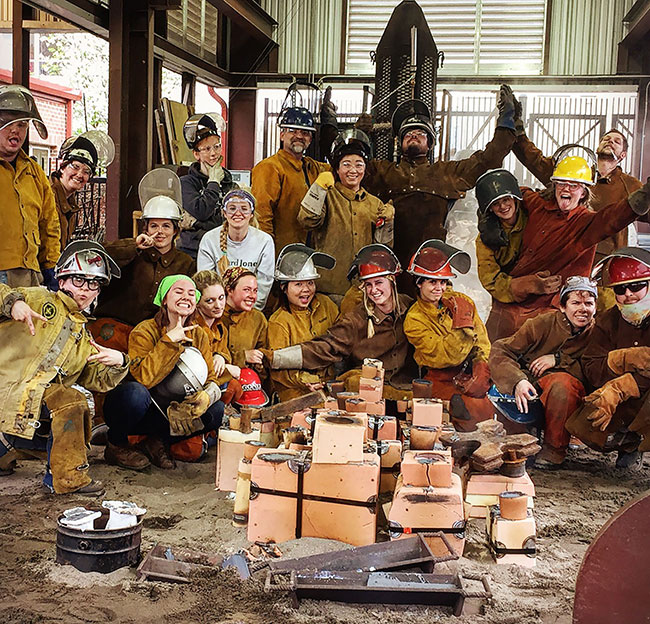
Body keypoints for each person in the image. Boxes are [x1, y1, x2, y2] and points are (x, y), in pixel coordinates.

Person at [355, 86, 517, 292]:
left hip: (431, 273)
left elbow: (488, 159)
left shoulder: (447, 174)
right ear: (400, 143)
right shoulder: (382, 173)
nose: (413, 136)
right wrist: (358, 137)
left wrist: (506, 121)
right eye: (408, 134)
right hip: (388, 272)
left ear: (430, 143)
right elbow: (347, 166)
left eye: (420, 133)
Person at [0, 241, 127, 494]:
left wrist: (120, 361)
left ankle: (58, 475)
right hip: (6, 393)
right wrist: (12, 303)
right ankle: (63, 476)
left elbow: (97, 379)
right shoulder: (36, 298)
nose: (85, 289)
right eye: (79, 280)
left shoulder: (83, 335)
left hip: (28, 412)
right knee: (69, 400)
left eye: (93, 283)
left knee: (71, 402)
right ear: (62, 280)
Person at [479, 157, 650, 340]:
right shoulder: (535, 202)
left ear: (584, 192)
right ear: (554, 186)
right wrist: (486, 219)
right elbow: (501, 194)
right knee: (494, 352)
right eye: (561, 183)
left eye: (574, 185)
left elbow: (614, 217)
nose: (566, 188)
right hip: (510, 305)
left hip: (553, 309)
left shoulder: (586, 223)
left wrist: (644, 195)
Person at [103, 275, 223, 470]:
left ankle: (158, 441)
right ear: (164, 299)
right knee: (135, 394)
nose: (186, 296)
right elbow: (144, 377)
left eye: (191, 293)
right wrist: (168, 342)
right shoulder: (144, 331)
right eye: (179, 291)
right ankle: (116, 445)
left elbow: (212, 378)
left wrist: (206, 398)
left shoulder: (199, 334)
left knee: (216, 412)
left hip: (173, 411)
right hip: (142, 408)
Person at [268, 244, 414, 401]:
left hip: (404, 392)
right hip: (364, 393)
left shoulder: (410, 309)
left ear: (392, 281)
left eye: (378, 283)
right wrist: (272, 358)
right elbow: (327, 347)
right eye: (368, 284)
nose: (373, 290)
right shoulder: (356, 319)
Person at [512, 113, 643, 278]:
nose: (610, 141)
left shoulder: (630, 185)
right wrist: (517, 130)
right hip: (561, 263)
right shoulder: (574, 174)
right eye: (606, 139)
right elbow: (535, 161)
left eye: (616, 141)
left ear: (623, 155)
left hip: (602, 269)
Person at [490, 277, 598, 467]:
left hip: (576, 395)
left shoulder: (598, 333)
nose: (583, 309)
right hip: (531, 386)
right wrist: (518, 381)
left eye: (589, 303)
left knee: (562, 384)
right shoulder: (542, 323)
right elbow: (501, 350)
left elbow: (594, 370)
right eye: (576, 303)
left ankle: (554, 448)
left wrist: (558, 360)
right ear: (563, 307)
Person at [92, 169, 195, 351]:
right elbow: (100, 256)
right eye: (154, 225)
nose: (160, 232)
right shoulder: (132, 252)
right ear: (145, 228)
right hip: (116, 330)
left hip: (156, 336)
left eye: (166, 226)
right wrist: (134, 245)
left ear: (176, 231)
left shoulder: (185, 263)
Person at [567, 248, 650, 470]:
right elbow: (592, 367)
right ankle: (628, 444)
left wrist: (622, 386)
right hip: (623, 404)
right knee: (590, 418)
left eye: (636, 286)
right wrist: (622, 360)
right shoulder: (607, 321)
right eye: (621, 289)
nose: (629, 294)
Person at [403, 240, 493, 431]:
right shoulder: (414, 319)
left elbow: (482, 339)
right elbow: (445, 354)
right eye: (432, 282)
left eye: (443, 282)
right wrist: (461, 325)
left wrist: (481, 365)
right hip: (437, 379)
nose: (439, 288)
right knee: (464, 414)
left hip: (467, 373)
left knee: (487, 413)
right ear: (419, 284)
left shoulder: (462, 302)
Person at [298, 129, 394, 302]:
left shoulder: (375, 204)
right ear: (337, 167)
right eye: (346, 164)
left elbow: (382, 249)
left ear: (365, 168)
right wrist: (317, 189)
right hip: (328, 289)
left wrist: (388, 223)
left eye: (359, 164)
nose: (353, 170)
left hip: (363, 289)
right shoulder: (328, 194)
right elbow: (307, 220)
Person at [474, 168, 561, 340]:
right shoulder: (485, 240)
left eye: (506, 199)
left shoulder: (534, 215)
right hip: (508, 299)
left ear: (515, 198)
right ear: (489, 208)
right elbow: (489, 279)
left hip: (547, 292)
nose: (503, 206)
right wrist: (525, 285)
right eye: (496, 203)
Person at [0, 84, 60, 289]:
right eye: (7, 122)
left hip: (32, 275)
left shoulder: (34, 173)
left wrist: (50, 266)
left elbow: (49, 225)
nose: (16, 130)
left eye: (23, 124)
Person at [251, 106, 330, 254]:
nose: (299, 136)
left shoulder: (312, 167)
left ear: (311, 139)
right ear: (282, 135)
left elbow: (343, 169)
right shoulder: (269, 168)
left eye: (305, 133)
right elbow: (261, 216)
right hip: (281, 255)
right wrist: (266, 255)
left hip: (308, 253)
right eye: (293, 131)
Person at [268, 244, 339, 401]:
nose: (306, 289)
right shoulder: (279, 322)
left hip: (327, 387)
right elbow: (277, 369)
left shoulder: (326, 305)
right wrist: (305, 379)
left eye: (310, 283)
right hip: (294, 393)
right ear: (284, 288)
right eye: (298, 284)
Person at [197, 189, 275, 310]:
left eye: (244, 209)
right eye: (232, 208)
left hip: (251, 309)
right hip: (217, 309)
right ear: (224, 212)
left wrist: (251, 310)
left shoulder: (265, 241)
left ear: (252, 213)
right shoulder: (209, 239)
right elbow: (205, 282)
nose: (238, 213)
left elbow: (264, 284)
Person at [179, 113, 237, 259]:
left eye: (217, 147)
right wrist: (213, 182)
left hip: (224, 252)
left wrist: (199, 223)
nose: (213, 153)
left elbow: (235, 220)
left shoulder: (230, 185)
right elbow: (202, 211)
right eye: (206, 149)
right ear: (196, 154)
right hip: (193, 252)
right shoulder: (186, 183)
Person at [50, 131, 115, 248]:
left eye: (86, 172)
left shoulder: (70, 203)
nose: (80, 175)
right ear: (62, 167)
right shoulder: (47, 196)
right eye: (75, 167)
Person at [220, 266, 268, 371]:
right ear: (229, 290)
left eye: (255, 291)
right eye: (247, 290)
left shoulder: (258, 318)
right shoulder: (215, 315)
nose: (252, 296)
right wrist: (242, 357)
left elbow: (264, 357)